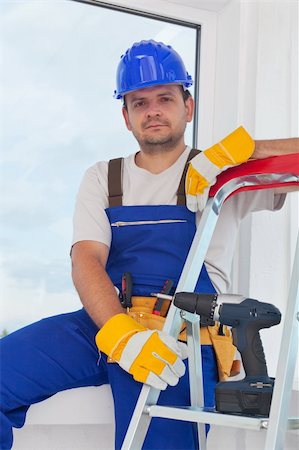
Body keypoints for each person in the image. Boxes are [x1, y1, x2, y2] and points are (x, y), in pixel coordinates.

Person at [0, 39, 298, 450]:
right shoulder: (105, 177)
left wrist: (247, 152)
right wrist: (121, 334)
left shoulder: (226, 174)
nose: (153, 110)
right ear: (126, 117)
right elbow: (86, 259)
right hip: (106, 325)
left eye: (164, 98)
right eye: (139, 103)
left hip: (182, 336)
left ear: (187, 107)